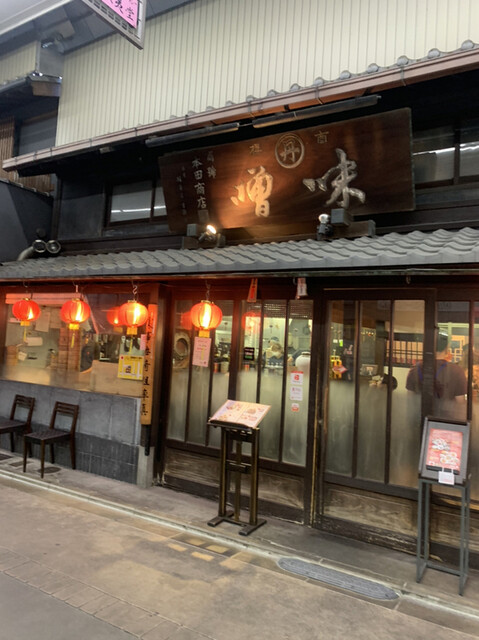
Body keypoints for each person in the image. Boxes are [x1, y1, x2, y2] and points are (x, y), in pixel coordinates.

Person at [406, 331, 466, 419]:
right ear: (447, 347)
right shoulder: (457, 371)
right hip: (446, 421)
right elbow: (460, 403)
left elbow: (410, 401)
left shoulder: (415, 370)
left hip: (420, 420)